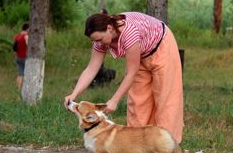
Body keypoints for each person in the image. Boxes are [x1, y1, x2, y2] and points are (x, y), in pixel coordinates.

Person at [64, 12, 183, 144]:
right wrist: (74, 94)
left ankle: (167, 148)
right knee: (138, 103)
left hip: (161, 48)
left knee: (165, 101)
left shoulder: (129, 33)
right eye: (94, 41)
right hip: (140, 55)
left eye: (99, 39)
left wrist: (114, 100)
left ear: (109, 28)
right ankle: (140, 148)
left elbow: (131, 73)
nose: (98, 43)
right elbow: (91, 69)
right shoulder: (100, 41)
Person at [13, 23, 29, 91]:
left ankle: (18, 90)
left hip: (18, 57)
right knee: (25, 75)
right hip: (24, 57)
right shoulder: (26, 36)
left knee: (20, 74)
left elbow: (14, 48)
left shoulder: (17, 36)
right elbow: (28, 46)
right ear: (27, 29)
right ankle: (24, 89)